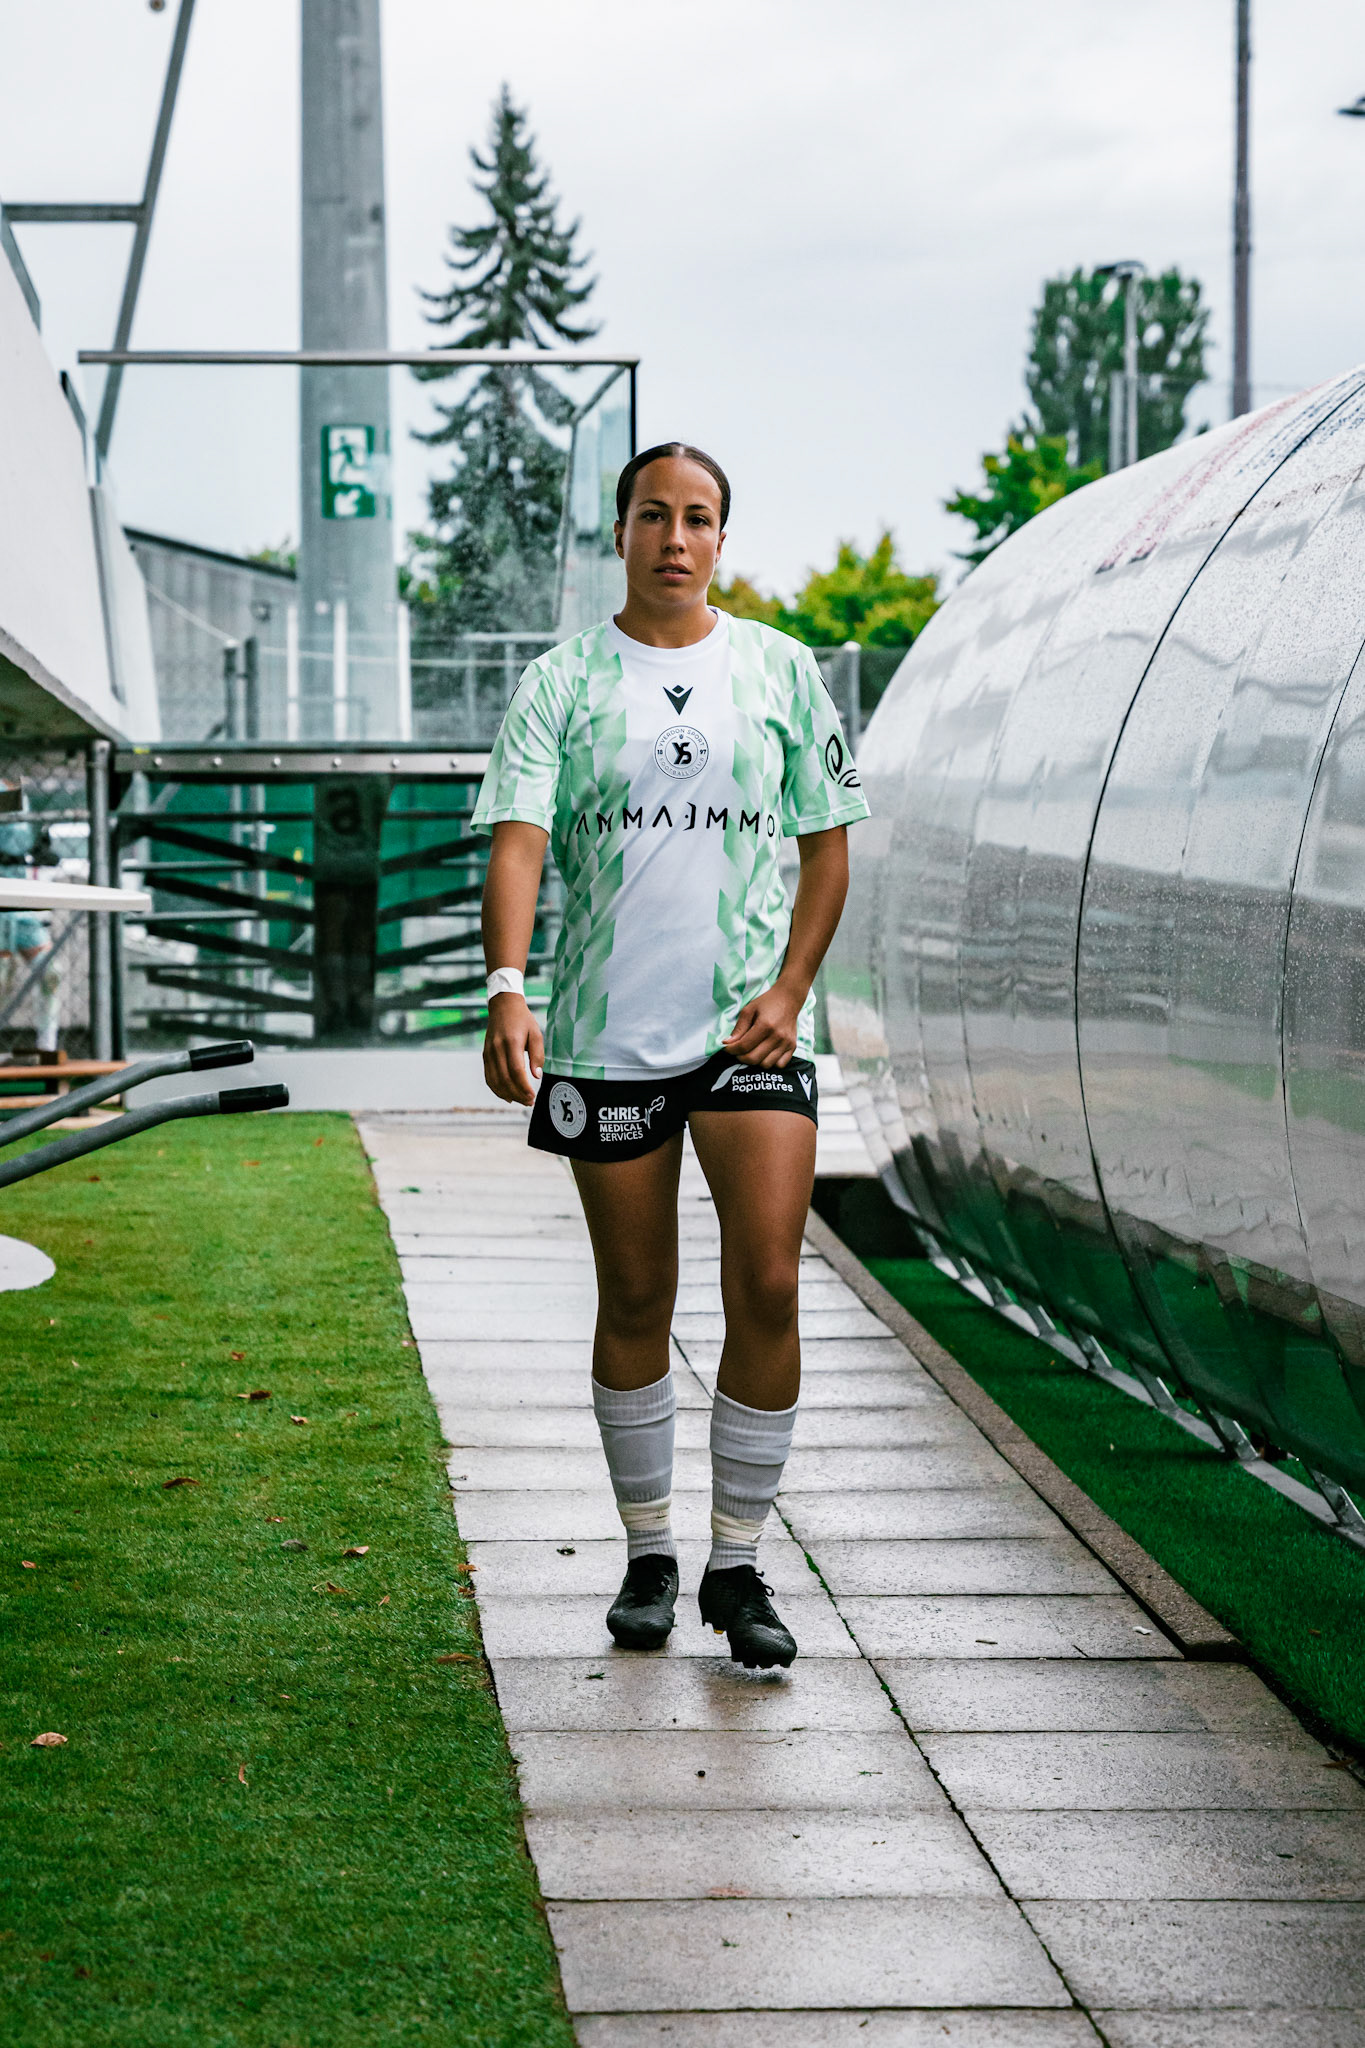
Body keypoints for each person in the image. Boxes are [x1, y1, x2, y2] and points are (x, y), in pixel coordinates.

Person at [473, 442, 869, 1669]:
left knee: (771, 1281)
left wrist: (792, 988)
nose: (677, 538)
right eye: (655, 515)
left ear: (720, 539)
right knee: (637, 1296)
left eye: (699, 518)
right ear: (623, 531)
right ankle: (649, 1553)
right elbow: (521, 845)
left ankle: (738, 1566)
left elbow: (828, 843)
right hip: (605, 1035)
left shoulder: (780, 669)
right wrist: (506, 985)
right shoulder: (563, 681)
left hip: (746, 1032)